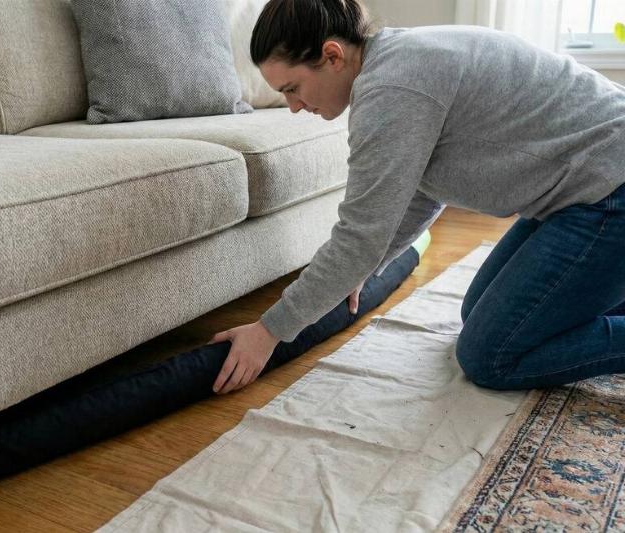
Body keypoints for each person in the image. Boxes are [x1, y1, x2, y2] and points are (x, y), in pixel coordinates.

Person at [208, 0, 625, 395]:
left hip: (609, 192)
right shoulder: (397, 59)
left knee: (490, 355)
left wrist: (269, 331)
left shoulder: (392, 89)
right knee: (478, 315)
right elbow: (423, 194)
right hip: (584, 193)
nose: (293, 107)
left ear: (332, 56)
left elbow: (360, 236)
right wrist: (370, 266)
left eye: (293, 88)